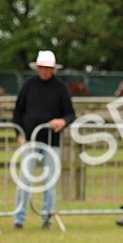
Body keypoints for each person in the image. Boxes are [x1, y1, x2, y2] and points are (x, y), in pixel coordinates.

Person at [11, 50, 75, 230]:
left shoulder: (61, 88)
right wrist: (18, 133)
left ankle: (47, 217)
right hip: (30, 141)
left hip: (51, 143)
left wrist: (62, 121)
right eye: (42, 68)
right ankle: (19, 218)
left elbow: (70, 114)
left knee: (49, 183)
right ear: (38, 68)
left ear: (53, 68)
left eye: (48, 68)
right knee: (24, 180)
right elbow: (18, 111)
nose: (45, 71)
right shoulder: (29, 86)